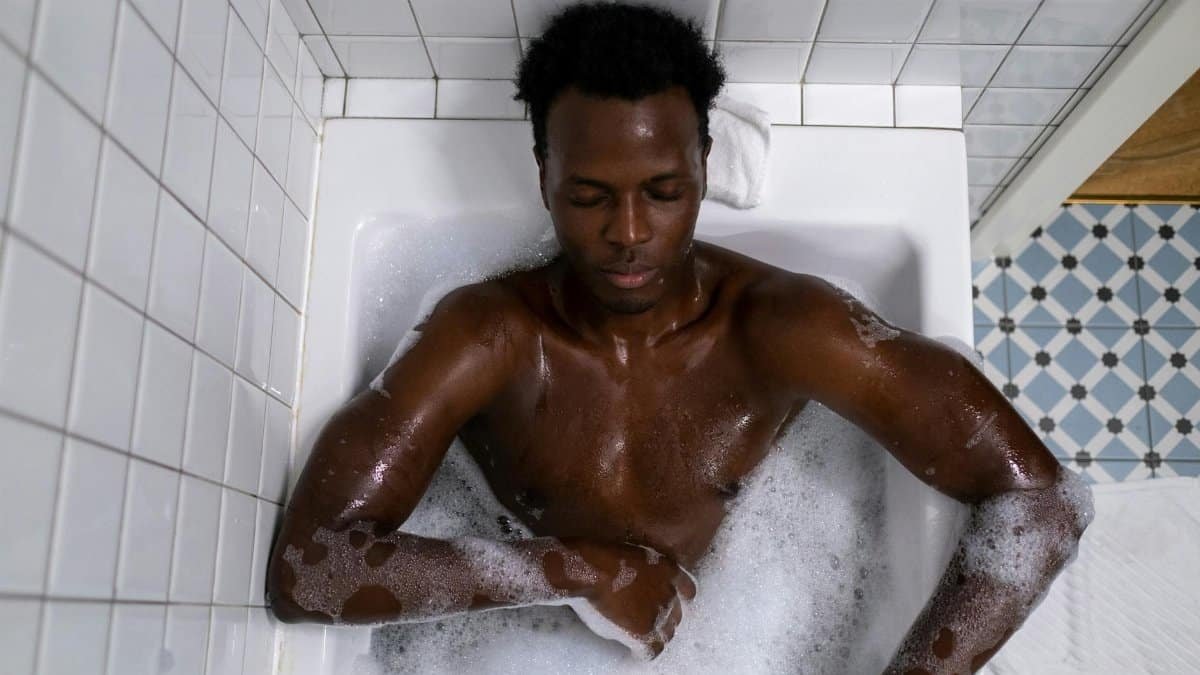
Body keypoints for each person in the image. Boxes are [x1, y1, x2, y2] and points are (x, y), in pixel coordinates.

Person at [267, 3, 1092, 672]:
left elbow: (1038, 500)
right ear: (542, 173)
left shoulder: (780, 327)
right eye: (589, 194)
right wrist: (578, 569)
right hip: (518, 634)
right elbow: (310, 566)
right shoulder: (489, 336)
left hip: (736, 624)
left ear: (704, 161)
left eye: (663, 191)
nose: (628, 232)